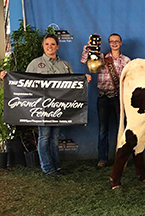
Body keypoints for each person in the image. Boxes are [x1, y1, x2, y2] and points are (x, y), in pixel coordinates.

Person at [1, 34, 92, 176]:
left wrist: (84, 79)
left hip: (58, 108)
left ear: (57, 46)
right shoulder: (35, 64)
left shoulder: (65, 65)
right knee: (44, 137)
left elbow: (73, 84)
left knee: (55, 138)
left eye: (53, 44)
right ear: (43, 46)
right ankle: (47, 167)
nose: (50, 47)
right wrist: (7, 76)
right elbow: (23, 83)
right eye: (47, 44)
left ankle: (56, 166)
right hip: (41, 109)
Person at [80, 33, 130, 168]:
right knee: (103, 129)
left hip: (118, 98)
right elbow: (84, 59)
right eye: (112, 41)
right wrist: (91, 46)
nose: (114, 43)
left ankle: (122, 158)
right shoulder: (100, 57)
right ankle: (102, 158)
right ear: (109, 43)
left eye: (117, 41)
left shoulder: (126, 61)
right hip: (103, 97)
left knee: (122, 129)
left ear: (120, 43)